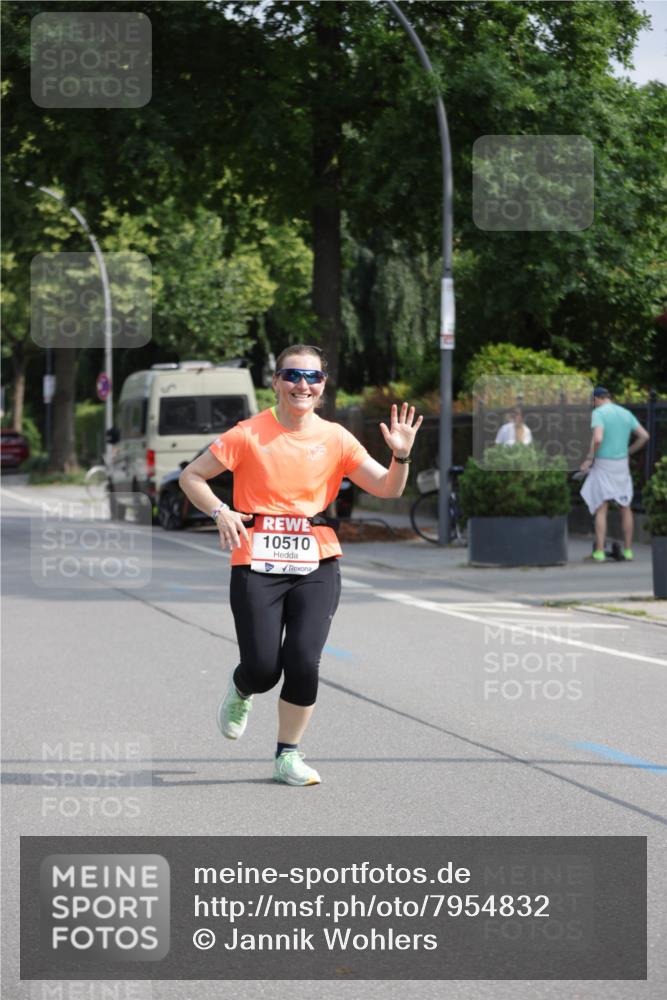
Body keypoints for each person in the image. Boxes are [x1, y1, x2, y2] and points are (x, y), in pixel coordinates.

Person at [178, 344, 423, 786]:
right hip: (256, 559)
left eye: (312, 378)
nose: (302, 385)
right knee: (263, 667)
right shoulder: (247, 434)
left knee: (304, 660)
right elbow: (191, 477)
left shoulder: (336, 438)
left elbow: (388, 488)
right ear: (275, 381)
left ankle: (287, 755)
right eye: (292, 375)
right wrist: (221, 511)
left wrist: (401, 456)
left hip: (317, 559)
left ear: (323, 387)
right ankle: (241, 688)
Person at [579, 386, 649, 561]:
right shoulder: (625, 413)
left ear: (597, 399)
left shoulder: (599, 413)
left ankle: (600, 551)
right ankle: (628, 551)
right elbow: (644, 436)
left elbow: (598, 438)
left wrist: (589, 459)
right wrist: (629, 451)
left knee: (601, 507)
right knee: (625, 507)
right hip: (621, 465)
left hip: (603, 464)